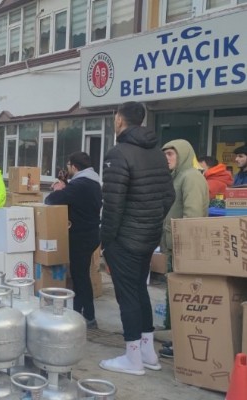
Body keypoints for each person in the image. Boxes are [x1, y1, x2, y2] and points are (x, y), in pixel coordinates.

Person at [99, 102, 175, 376]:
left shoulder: (118, 154)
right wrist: (150, 220)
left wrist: (105, 240)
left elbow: (113, 204)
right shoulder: (156, 153)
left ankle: (132, 357)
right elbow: (169, 196)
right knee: (140, 291)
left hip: (125, 239)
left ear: (119, 119)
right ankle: (148, 352)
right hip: (147, 237)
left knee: (127, 295)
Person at [158, 140, 209, 358]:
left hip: (184, 248)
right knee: (174, 294)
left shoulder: (191, 177)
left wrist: (186, 250)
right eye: (165, 154)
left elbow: (193, 216)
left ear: (184, 155)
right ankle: (173, 334)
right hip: (173, 246)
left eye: (171, 154)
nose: (167, 158)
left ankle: (179, 339)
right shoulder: (176, 176)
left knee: (182, 296)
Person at [44, 152, 102, 327]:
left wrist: (58, 189)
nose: (67, 168)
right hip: (92, 234)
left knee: (80, 276)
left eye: (68, 165)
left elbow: (51, 200)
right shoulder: (94, 182)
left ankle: (88, 317)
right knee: (81, 275)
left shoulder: (79, 185)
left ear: (75, 167)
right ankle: (80, 312)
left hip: (80, 236)